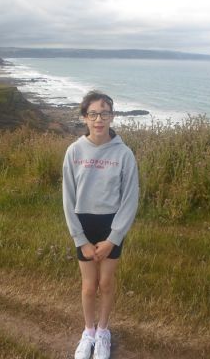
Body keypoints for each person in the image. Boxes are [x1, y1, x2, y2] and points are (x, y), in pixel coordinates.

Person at [62, 91, 139, 359]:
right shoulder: (74, 151)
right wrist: (79, 238)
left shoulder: (124, 153)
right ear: (84, 117)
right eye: (93, 114)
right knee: (88, 286)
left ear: (112, 116)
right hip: (83, 225)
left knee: (105, 283)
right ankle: (89, 332)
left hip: (111, 225)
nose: (99, 119)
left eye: (104, 113)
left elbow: (130, 198)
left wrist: (114, 238)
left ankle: (103, 331)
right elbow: (68, 198)